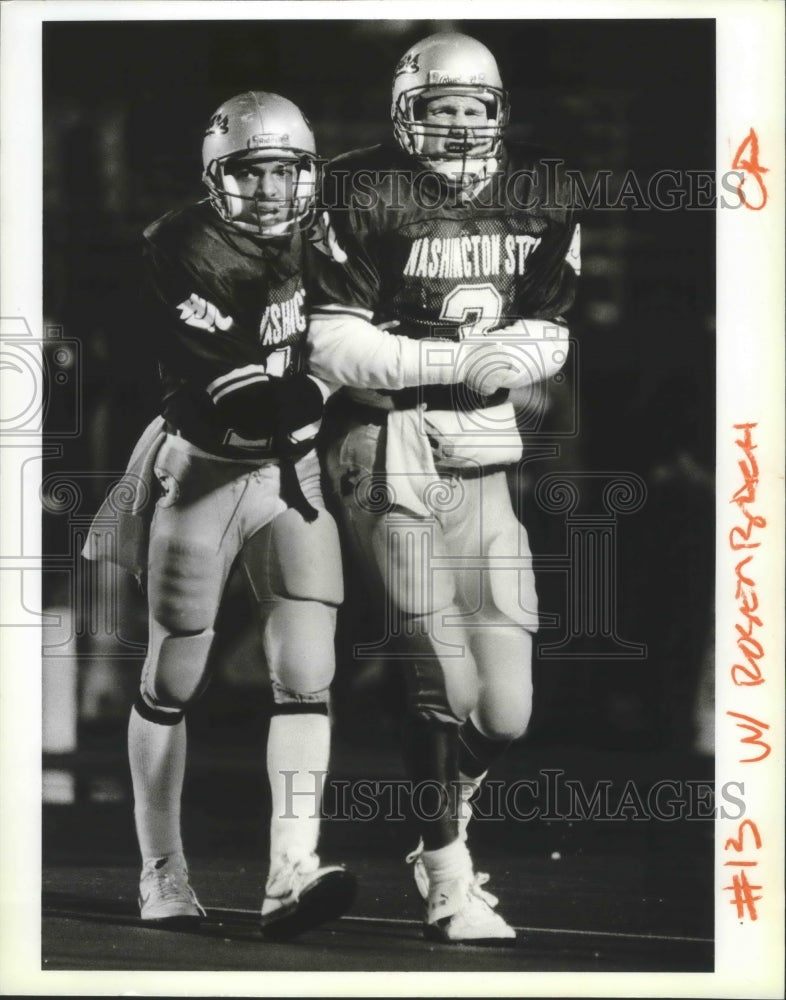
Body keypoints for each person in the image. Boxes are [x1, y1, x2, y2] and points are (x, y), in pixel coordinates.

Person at [307, 32, 580, 943]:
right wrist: (461, 360)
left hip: (482, 447)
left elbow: (551, 329)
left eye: (473, 108)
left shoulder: (545, 186)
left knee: (504, 711)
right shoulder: (356, 185)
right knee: (440, 674)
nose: (458, 123)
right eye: (439, 107)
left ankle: (439, 830)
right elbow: (334, 343)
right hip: (387, 438)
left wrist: (506, 358)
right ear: (404, 113)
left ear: (498, 113)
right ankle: (449, 876)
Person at [84, 91, 355, 938]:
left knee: (309, 672)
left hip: (293, 475)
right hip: (205, 470)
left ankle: (290, 870)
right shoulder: (181, 245)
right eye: (253, 170)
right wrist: (353, 366)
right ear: (217, 178)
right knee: (173, 680)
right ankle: (161, 871)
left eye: (286, 169)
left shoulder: (328, 234)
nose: (272, 188)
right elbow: (245, 400)